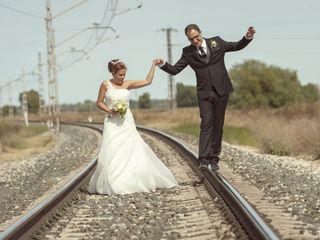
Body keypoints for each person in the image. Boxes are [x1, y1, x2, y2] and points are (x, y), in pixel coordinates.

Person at [155, 24, 256, 171]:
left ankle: (214, 159)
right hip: (205, 93)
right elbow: (175, 70)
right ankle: (203, 159)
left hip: (222, 90)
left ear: (201, 33)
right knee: (206, 123)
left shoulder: (217, 42)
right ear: (188, 39)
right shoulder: (188, 52)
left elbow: (236, 46)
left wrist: (247, 37)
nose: (195, 41)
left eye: (197, 37)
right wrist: (163, 64)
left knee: (218, 125)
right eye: (191, 39)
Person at [88, 59, 178, 195]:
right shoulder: (105, 84)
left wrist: (153, 65)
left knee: (130, 149)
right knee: (112, 148)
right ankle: (112, 182)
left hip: (127, 121)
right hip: (112, 121)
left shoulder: (128, 84)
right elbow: (99, 102)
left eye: (124, 74)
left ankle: (131, 179)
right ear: (113, 73)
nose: (123, 77)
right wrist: (109, 110)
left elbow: (148, 81)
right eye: (120, 75)